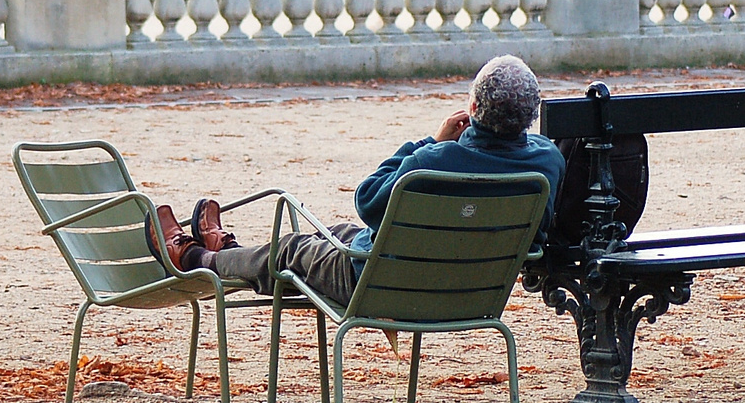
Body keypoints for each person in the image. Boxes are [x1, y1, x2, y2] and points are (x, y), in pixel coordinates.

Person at [149, 56, 566, 307]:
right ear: (531, 115)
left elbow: (368, 200)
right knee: (334, 235)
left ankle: (196, 261)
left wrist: (429, 140)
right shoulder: (547, 163)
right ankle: (232, 252)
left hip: (379, 284)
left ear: (472, 106)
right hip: (472, 293)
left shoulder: (433, 160)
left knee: (293, 248)